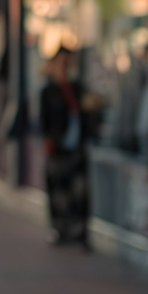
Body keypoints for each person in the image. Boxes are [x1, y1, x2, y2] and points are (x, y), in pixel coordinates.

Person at [39, 47, 90, 248]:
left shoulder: (77, 88)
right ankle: (60, 229)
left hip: (76, 146)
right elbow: (44, 121)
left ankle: (79, 230)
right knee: (59, 189)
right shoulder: (48, 91)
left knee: (80, 190)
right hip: (58, 147)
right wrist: (49, 141)